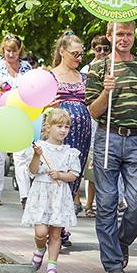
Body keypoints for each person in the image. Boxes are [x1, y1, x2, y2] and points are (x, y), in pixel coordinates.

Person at [86, 21, 137, 273]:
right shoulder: (98, 68)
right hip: (107, 137)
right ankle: (112, 264)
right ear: (110, 36)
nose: (124, 38)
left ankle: (120, 243)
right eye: (119, 33)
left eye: (129, 34)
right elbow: (92, 112)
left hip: (135, 141)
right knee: (107, 203)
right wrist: (107, 91)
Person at [22, 108, 80, 273]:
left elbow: (74, 174)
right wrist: (36, 156)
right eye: (59, 126)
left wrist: (61, 175)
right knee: (41, 232)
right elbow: (32, 171)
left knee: (55, 234)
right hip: (41, 194)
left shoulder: (70, 152)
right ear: (48, 127)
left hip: (59, 195)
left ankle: (52, 265)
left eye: (66, 127)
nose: (63, 130)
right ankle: (40, 248)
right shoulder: (40, 147)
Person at [0, 34, 32, 206]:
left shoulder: (26, 68)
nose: (11, 54)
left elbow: (32, 90)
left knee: (22, 155)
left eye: (14, 51)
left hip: (22, 115)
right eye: (7, 51)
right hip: (2, 114)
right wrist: (2, 100)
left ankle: (25, 194)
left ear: (20, 51)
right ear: (3, 50)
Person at [50, 32, 92, 215]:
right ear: (62, 51)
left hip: (82, 134)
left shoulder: (83, 77)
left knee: (75, 174)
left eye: (81, 54)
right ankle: (55, 222)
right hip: (60, 133)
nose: (79, 58)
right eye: (75, 54)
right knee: (58, 174)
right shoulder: (50, 76)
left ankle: (64, 222)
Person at [80, 35, 111, 217]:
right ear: (93, 50)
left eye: (105, 49)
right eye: (98, 49)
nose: (101, 53)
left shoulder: (112, 67)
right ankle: (87, 204)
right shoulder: (87, 68)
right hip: (91, 117)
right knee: (89, 161)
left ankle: (103, 204)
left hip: (108, 119)